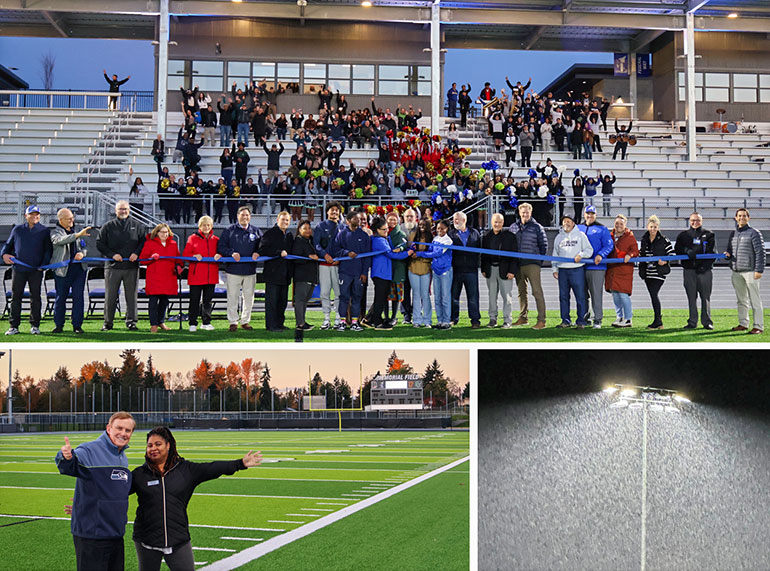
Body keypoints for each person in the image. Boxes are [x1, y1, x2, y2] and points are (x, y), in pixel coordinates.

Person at [131, 427, 262, 571]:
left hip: (178, 539)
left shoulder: (186, 470)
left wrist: (240, 463)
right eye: (150, 445)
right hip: (147, 541)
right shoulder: (139, 474)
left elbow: (212, 468)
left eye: (158, 444)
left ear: (168, 445)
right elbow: (117, 492)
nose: (153, 448)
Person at [56, 411, 136, 571]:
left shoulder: (122, 456)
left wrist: (85, 505)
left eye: (128, 430)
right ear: (108, 428)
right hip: (92, 536)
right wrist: (66, 457)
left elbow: (113, 491)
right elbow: (70, 465)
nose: (123, 433)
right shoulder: (90, 449)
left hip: (115, 534)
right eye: (119, 428)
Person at [1, 205, 52, 335]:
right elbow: (8, 245)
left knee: (35, 298)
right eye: (32, 214)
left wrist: (43, 265)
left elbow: (48, 250)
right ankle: (14, 326)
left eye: (37, 214)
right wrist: (4, 254)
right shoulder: (17, 230)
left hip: (36, 270)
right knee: (15, 297)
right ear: (26, 216)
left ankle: (35, 325)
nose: (35, 217)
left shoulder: (44, 231)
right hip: (18, 269)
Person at [96, 201, 146, 332]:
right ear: (115, 210)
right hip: (113, 267)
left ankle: (131, 321)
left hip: (131, 267)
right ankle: (108, 322)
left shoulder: (137, 225)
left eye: (125, 209)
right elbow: (100, 244)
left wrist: (136, 253)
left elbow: (143, 242)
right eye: (120, 209)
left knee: (131, 296)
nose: (123, 211)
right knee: (110, 296)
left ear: (129, 210)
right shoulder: (108, 226)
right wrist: (112, 255)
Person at [217, 206, 261, 332]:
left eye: (247, 215)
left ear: (250, 217)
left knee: (248, 297)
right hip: (233, 270)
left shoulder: (256, 231)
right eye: (242, 215)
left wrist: (258, 252)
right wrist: (231, 253)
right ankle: (233, 321)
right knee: (232, 296)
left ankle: (245, 321)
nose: (245, 217)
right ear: (237, 216)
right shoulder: (229, 230)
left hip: (250, 270)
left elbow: (264, 245)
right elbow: (221, 247)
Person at [362, 217, 409, 330]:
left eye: (387, 229)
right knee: (380, 298)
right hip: (381, 273)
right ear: (378, 230)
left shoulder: (383, 239)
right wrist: (408, 253)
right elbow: (391, 254)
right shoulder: (379, 240)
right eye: (384, 229)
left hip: (383, 272)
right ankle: (377, 322)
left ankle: (370, 318)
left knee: (381, 297)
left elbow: (392, 250)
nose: (386, 231)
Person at [50, 208, 90, 335]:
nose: (72, 221)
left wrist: (82, 254)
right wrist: (78, 235)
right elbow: (61, 240)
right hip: (62, 271)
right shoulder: (54, 232)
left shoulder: (77, 230)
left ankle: (77, 325)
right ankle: (59, 325)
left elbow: (84, 246)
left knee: (78, 298)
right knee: (61, 297)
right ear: (61, 220)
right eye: (69, 219)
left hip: (79, 270)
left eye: (72, 218)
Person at [725, 208, 765, 334]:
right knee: (741, 300)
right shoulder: (733, 233)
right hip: (736, 272)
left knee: (755, 300)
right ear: (736, 218)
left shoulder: (754, 233)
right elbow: (730, 250)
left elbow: (760, 252)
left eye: (744, 216)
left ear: (748, 218)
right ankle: (743, 323)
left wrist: (759, 270)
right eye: (739, 216)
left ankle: (758, 326)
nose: (741, 218)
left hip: (751, 271)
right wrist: (728, 255)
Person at [674, 212, 715, 330]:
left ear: (701, 221)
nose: (695, 222)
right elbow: (678, 249)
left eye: (697, 220)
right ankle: (692, 322)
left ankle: (707, 322)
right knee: (691, 297)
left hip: (704, 271)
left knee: (705, 297)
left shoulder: (709, 234)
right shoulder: (683, 235)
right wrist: (686, 250)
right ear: (689, 221)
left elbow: (712, 252)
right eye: (692, 220)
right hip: (689, 271)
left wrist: (704, 266)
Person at [510, 202, 547, 330]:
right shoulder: (513, 227)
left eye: (527, 212)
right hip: (518, 264)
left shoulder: (537, 227)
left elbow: (544, 246)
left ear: (531, 213)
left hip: (532, 264)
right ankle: (523, 317)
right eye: (523, 212)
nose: (525, 214)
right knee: (521, 293)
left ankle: (541, 320)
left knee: (537, 292)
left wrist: (537, 262)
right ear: (519, 213)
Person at [552, 214, 593, 329]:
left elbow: (589, 250)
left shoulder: (581, 235)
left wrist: (581, 254)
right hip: (563, 270)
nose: (566, 223)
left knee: (580, 296)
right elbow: (555, 254)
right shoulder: (559, 237)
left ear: (573, 223)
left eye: (569, 221)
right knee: (563, 296)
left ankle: (581, 320)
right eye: (564, 221)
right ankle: (565, 320)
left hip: (577, 269)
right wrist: (555, 268)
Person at [139, 224, 182, 333]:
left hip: (168, 276)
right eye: (162, 232)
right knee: (153, 301)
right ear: (157, 233)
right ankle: (153, 324)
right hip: (154, 276)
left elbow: (178, 259)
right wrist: (151, 258)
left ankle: (161, 322)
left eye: (166, 232)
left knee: (164, 301)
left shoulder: (173, 244)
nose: (164, 234)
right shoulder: (149, 243)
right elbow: (142, 260)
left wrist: (179, 266)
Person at [333, 210, 371, 332]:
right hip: (345, 271)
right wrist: (346, 253)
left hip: (359, 273)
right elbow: (336, 250)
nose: (358, 221)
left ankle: (355, 322)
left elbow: (367, 256)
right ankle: (342, 322)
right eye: (355, 218)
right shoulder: (342, 234)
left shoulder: (364, 236)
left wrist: (364, 272)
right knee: (344, 297)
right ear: (348, 221)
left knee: (357, 297)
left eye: (359, 219)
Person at [577, 205, 614, 329]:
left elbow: (609, 245)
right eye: (588, 213)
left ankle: (597, 319)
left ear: (596, 215)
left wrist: (600, 255)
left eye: (592, 214)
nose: (589, 216)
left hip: (596, 267)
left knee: (596, 294)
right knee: (582, 295)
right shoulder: (578, 228)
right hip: (580, 267)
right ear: (584, 214)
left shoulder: (602, 229)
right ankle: (584, 317)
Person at [183, 216, 221, 332]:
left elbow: (222, 253)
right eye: (204, 225)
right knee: (194, 300)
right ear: (200, 226)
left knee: (207, 301)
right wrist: (193, 256)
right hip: (196, 275)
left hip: (211, 275)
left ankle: (206, 322)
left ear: (212, 226)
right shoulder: (192, 238)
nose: (206, 227)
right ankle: (192, 323)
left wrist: (220, 255)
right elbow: (185, 255)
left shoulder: (216, 240)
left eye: (208, 225)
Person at [481, 213, 518, 329]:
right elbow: (483, 255)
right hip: (491, 270)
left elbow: (514, 255)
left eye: (499, 222)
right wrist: (483, 269)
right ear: (491, 222)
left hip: (505, 270)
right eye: (495, 222)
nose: (497, 224)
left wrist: (512, 271)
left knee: (507, 297)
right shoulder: (486, 237)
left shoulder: (510, 236)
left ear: (503, 223)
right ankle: (493, 319)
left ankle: (507, 320)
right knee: (492, 297)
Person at [259, 211, 294, 332]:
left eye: (287, 220)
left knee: (282, 301)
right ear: (277, 220)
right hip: (272, 274)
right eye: (283, 219)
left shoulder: (289, 235)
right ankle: (271, 325)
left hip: (285, 274)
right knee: (272, 302)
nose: (285, 222)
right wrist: (278, 252)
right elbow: (263, 249)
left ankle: (280, 323)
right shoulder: (270, 233)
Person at [639, 215, 674, 330]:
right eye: (651, 227)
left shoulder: (664, 240)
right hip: (647, 273)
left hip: (659, 273)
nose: (653, 229)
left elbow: (672, 254)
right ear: (647, 227)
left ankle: (658, 321)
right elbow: (641, 254)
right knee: (653, 295)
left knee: (654, 294)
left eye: (655, 227)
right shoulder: (644, 239)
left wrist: (664, 260)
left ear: (658, 227)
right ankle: (658, 321)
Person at [417, 219, 453, 330]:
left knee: (445, 297)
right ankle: (440, 320)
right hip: (436, 270)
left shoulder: (448, 240)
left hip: (445, 271)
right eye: (438, 228)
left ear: (447, 229)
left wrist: (421, 254)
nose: (439, 230)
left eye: (442, 228)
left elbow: (437, 253)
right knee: (437, 297)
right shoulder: (435, 239)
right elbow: (431, 250)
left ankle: (446, 321)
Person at [448, 211, 482, 329]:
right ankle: (453, 318)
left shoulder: (474, 233)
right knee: (454, 296)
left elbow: (480, 251)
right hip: (456, 270)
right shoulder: (450, 234)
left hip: (471, 270)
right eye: (454, 219)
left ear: (465, 220)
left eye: (458, 219)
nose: (456, 221)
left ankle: (475, 320)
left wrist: (479, 265)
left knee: (473, 297)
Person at [314, 201, 344, 330]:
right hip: (324, 264)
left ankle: (338, 318)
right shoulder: (320, 226)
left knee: (338, 293)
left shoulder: (343, 227)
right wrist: (324, 255)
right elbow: (317, 244)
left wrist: (340, 258)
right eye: (332, 210)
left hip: (338, 265)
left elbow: (345, 246)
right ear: (327, 212)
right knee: (325, 292)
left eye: (336, 210)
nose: (334, 212)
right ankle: (326, 318)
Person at [605, 214, 638, 328]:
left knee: (623, 295)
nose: (618, 226)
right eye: (617, 223)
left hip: (624, 270)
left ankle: (628, 318)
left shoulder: (630, 236)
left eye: (621, 224)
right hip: (612, 269)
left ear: (625, 225)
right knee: (615, 295)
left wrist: (630, 254)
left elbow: (635, 250)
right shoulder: (610, 235)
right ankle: (619, 317)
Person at [406, 217, 434, 328]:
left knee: (425, 295)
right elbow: (408, 249)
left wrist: (421, 255)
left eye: (424, 225)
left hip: (426, 269)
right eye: (420, 224)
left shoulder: (431, 238)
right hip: (413, 269)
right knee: (416, 295)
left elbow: (432, 255)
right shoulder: (413, 236)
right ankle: (416, 320)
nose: (422, 227)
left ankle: (427, 320)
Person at [291, 220, 319, 330]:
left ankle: (302, 322)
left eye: (309, 228)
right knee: (300, 300)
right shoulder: (298, 241)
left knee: (304, 301)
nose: (308, 230)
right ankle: (300, 323)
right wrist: (309, 257)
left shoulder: (310, 241)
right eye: (305, 228)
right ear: (299, 230)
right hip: (302, 276)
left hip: (311, 276)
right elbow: (296, 258)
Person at [385, 211, 408, 328]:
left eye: (394, 219)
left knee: (396, 295)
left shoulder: (400, 233)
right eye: (390, 219)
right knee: (385, 293)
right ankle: (385, 316)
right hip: (386, 267)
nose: (392, 222)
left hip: (398, 267)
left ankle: (393, 317)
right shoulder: (383, 231)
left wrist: (399, 248)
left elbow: (404, 244)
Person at [399, 208, 418, 325]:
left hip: (417, 264)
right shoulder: (399, 229)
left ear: (415, 217)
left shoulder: (420, 229)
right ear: (404, 218)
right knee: (405, 290)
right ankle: (406, 315)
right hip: (403, 264)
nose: (409, 218)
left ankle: (416, 313)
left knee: (417, 290)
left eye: (411, 216)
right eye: (407, 216)